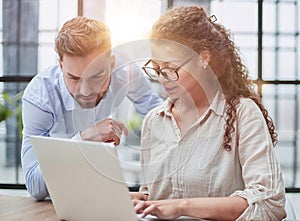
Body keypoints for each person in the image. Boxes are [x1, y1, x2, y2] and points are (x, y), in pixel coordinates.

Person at [131, 6, 286, 221]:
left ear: (203, 58)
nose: (162, 77)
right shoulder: (154, 120)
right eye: (156, 68)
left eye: (170, 67)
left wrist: (182, 207)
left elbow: (269, 202)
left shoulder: (242, 114)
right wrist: (138, 199)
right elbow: (156, 194)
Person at [21, 16, 162, 201]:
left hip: (98, 184)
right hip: (57, 192)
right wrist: (84, 138)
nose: (86, 91)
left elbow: (159, 114)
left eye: (96, 76)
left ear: (111, 63)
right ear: (60, 64)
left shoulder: (125, 72)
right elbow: (35, 186)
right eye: (73, 78)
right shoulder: (40, 97)